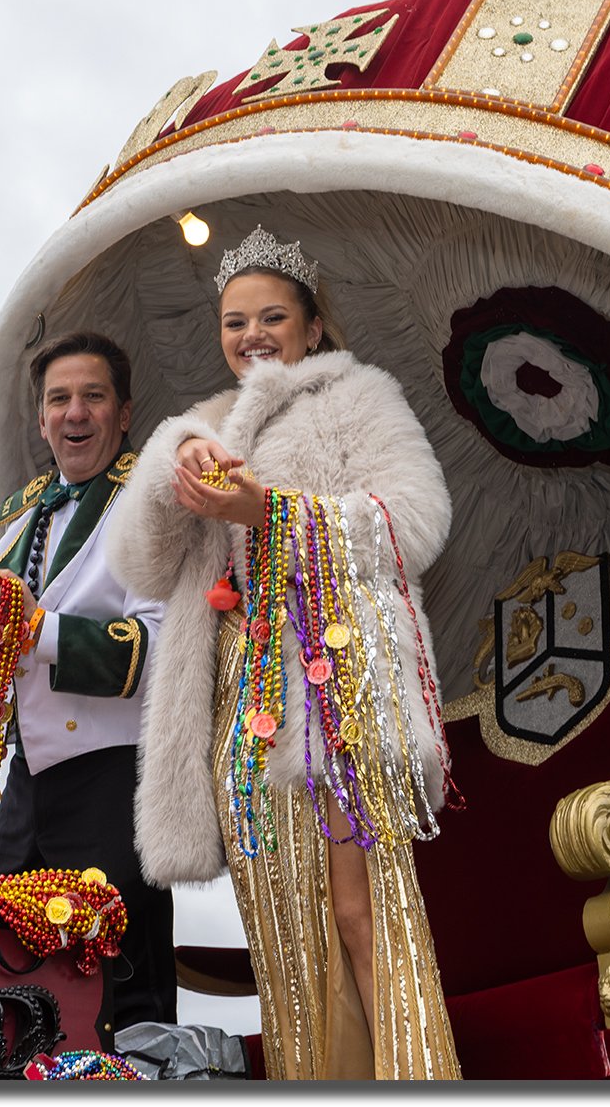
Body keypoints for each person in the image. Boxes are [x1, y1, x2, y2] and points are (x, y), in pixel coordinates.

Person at [109, 228, 460, 1079]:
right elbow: (142, 567)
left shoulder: (359, 397)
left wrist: (269, 511)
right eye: (235, 322)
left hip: (338, 693)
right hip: (241, 710)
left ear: (312, 324)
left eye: (272, 317)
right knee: (282, 942)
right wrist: (172, 466)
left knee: (361, 915)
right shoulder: (201, 426)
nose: (253, 336)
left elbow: (416, 520)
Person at [0, 332, 177, 1030]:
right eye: (59, 398)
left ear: (123, 416)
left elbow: (158, 646)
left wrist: (38, 631)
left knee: (119, 997)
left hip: (112, 778)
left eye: (93, 396)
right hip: (29, 783)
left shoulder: (150, 500)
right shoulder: (24, 513)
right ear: (41, 420)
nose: (74, 412)